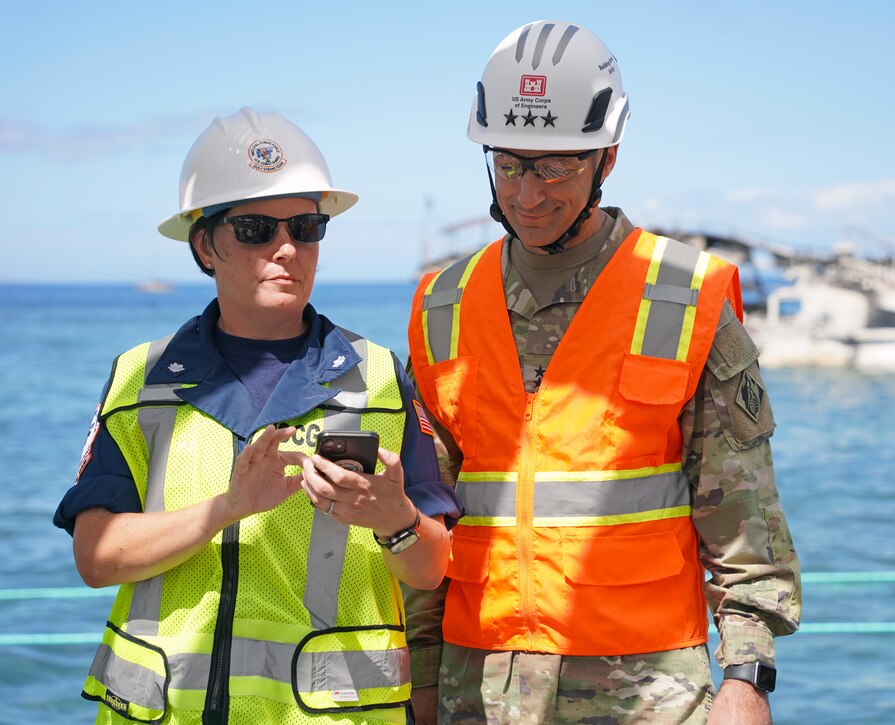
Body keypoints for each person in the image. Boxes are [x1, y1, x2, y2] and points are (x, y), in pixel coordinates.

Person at [404, 21, 801, 724]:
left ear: (607, 156)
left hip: (647, 693)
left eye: (555, 167)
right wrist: (424, 682)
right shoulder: (443, 305)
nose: (528, 194)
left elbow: (747, 524)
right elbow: (427, 522)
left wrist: (746, 678)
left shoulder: (685, 296)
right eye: (509, 164)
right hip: (479, 691)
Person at [53, 107, 462, 724]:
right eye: (254, 229)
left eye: (306, 226)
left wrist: (396, 519)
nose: (287, 249)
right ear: (204, 246)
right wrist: (227, 507)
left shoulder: (380, 378)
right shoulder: (140, 380)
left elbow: (431, 569)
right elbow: (95, 558)